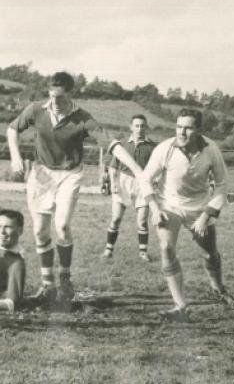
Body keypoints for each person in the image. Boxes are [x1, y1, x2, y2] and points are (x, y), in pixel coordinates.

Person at [6, 71, 150, 306]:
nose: (54, 102)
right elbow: (13, 129)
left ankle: (65, 279)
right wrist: (15, 156)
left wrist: (137, 170)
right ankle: (47, 286)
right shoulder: (36, 109)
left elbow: (112, 144)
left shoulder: (82, 118)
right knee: (41, 232)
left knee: (61, 226)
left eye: (60, 98)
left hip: (70, 173)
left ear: (70, 95)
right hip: (41, 174)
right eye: (51, 96)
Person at [142, 108, 234, 322]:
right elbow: (145, 179)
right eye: (179, 126)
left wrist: (206, 216)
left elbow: (222, 185)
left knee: (210, 253)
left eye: (188, 128)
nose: (182, 132)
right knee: (166, 248)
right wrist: (155, 209)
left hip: (199, 208)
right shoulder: (164, 148)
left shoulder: (211, 149)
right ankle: (181, 306)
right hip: (169, 206)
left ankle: (218, 289)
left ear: (199, 130)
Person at [103, 114, 157, 261]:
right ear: (131, 127)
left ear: (146, 127)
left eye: (143, 126)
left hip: (143, 185)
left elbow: (157, 169)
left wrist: (155, 182)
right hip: (123, 183)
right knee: (115, 219)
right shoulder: (122, 145)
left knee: (142, 221)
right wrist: (114, 184)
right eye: (137, 126)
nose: (140, 129)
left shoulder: (153, 147)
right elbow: (113, 167)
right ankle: (108, 250)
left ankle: (143, 253)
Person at [0, 209, 26, 313]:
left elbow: (12, 302)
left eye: (8, 227)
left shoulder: (15, 262)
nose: (2, 232)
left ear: (20, 231)